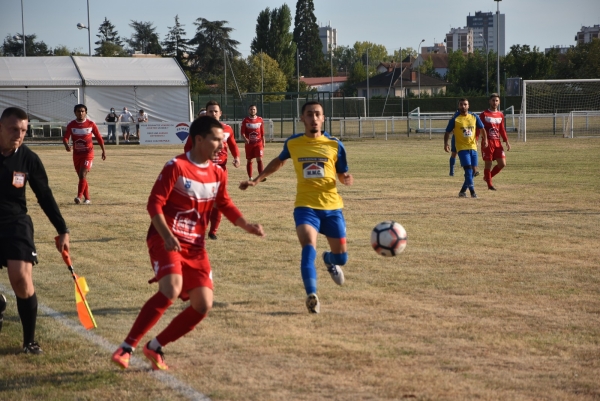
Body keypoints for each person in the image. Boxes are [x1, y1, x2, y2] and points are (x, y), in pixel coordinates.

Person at [111, 116, 264, 371]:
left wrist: (246, 225)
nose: (220, 144)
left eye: (222, 140)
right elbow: (154, 204)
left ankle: (156, 346)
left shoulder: (217, 172)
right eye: (216, 139)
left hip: (195, 246)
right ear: (199, 139)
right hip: (165, 239)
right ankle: (127, 346)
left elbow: (224, 203)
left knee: (203, 304)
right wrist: (167, 235)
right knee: (171, 289)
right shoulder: (177, 167)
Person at [240, 101, 353, 314]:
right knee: (308, 246)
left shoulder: (335, 144)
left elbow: (341, 170)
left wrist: (344, 177)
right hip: (305, 206)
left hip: (332, 208)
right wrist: (257, 179)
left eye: (317, 114)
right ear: (302, 118)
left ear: (323, 118)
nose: (313, 118)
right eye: (309, 114)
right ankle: (312, 295)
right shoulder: (294, 143)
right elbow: (278, 161)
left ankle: (329, 260)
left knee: (342, 258)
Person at [0, 106, 70, 353]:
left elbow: (45, 196)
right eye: (13, 129)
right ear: (1, 127)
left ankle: (29, 341)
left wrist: (62, 229)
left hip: (16, 223)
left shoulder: (28, 158)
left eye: (23, 130)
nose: (19, 135)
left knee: (20, 278)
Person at [184, 100, 240, 240]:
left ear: (220, 113)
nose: (213, 113)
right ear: (206, 113)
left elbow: (233, 145)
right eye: (210, 111)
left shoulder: (227, 129)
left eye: (216, 111)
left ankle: (213, 231)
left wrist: (237, 157)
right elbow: (187, 147)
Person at [63, 104, 107, 204]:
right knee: (81, 176)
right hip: (77, 154)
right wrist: (66, 145)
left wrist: (103, 151)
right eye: (78, 111)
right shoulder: (71, 125)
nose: (81, 113)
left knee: (83, 174)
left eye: (83, 111)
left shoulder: (91, 124)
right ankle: (87, 198)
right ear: (75, 113)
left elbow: (99, 138)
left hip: (88, 154)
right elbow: (65, 137)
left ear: (86, 112)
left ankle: (79, 197)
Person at [444, 98, 487, 198]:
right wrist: (446, 143)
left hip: (473, 147)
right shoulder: (455, 118)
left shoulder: (474, 117)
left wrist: (485, 139)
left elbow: (482, 128)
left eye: (465, 104)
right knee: (468, 169)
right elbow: (447, 131)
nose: (463, 106)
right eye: (461, 104)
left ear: (468, 106)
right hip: (462, 148)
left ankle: (463, 191)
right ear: (458, 106)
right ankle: (473, 192)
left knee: (472, 172)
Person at [479, 93, 511, 190]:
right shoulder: (484, 114)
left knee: (502, 164)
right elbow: (479, 128)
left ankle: (487, 177)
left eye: (496, 100)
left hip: (497, 142)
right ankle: (490, 185)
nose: (495, 102)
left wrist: (506, 141)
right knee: (488, 164)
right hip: (487, 142)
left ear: (499, 102)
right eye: (493, 100)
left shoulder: (500, 114)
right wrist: (477, 140)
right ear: (489, 101)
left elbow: (502, 129)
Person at [241, 105, 266, 181]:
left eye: (254, 109)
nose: (252, 110)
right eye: (251, 109)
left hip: (258, 143)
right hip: (249, 144)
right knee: (249, 160)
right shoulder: (245, 120)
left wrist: (264, 141)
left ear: (256, 110)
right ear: (249, 111)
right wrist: (245, 139)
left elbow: (262, 133)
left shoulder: (260, 119)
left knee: (259, 159)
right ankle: (250, 177)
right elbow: (242, 132)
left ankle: (261, 176)